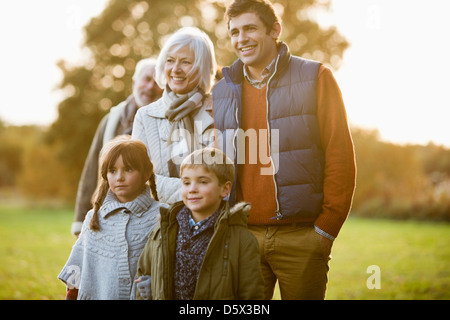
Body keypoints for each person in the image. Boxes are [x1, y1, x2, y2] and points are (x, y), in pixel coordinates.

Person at [212, 0, 357, 299]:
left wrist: (324, 231)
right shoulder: (222, 90)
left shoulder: (316, 77)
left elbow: (339, 155)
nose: (241, 39)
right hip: (244, 237)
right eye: (234, 32)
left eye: (250, 28)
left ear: (274, 30)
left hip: (302, 237)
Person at [135, 147, 264, 300]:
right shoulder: (163, 230)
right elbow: (144, 273)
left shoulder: (242, 240)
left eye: (203, 182)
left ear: (225, 189)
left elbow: (251, 296)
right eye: (186, 182)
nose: (192, 189)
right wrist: (154, 287)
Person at [58, 136, 164, 300]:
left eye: (128, 169)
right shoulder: (94, 218)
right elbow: (76, 280)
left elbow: (174, 269)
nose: (119, 177)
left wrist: (155, 283)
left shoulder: (163, 216)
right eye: (112, 171)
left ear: (146, 173)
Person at [71, 58, 163, 236]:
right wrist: (80, 219)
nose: (151, 86)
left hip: (147, 218)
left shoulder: (166, 121)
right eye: (146, 79)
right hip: (108, 214)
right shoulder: (111, 120)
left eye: (157, 82)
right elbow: (91, 170)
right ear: (135, 82)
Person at [132, 27, 217, 205]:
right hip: (160, 223)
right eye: (170, 61)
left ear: (202, 68)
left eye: (185, 62)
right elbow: (139, 179)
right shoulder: (145, 116)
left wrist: (165, 186)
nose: (176, 69)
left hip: (211, 224)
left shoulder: (220, 111)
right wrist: (195, 191)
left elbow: (222, 178)